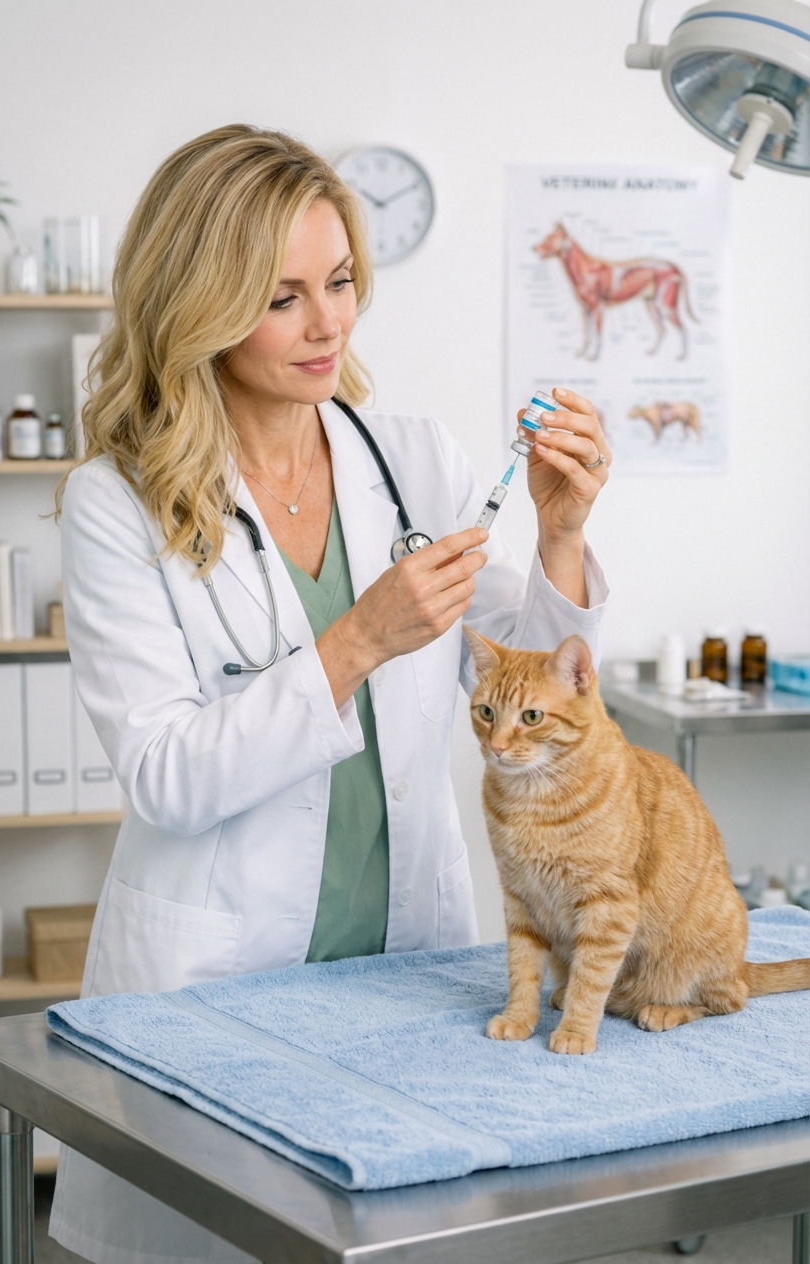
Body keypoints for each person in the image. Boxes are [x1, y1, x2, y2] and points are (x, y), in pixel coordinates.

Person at [50, 124, 611, 1264]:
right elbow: (166, 775)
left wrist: (559, 533)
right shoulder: (115, 502)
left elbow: (530, 672)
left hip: (402, 958)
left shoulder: (408, 455)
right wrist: (354, 641)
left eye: (341, 280)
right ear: (197, 303)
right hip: (219, 981)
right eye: (283, 296)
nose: (330, 323)